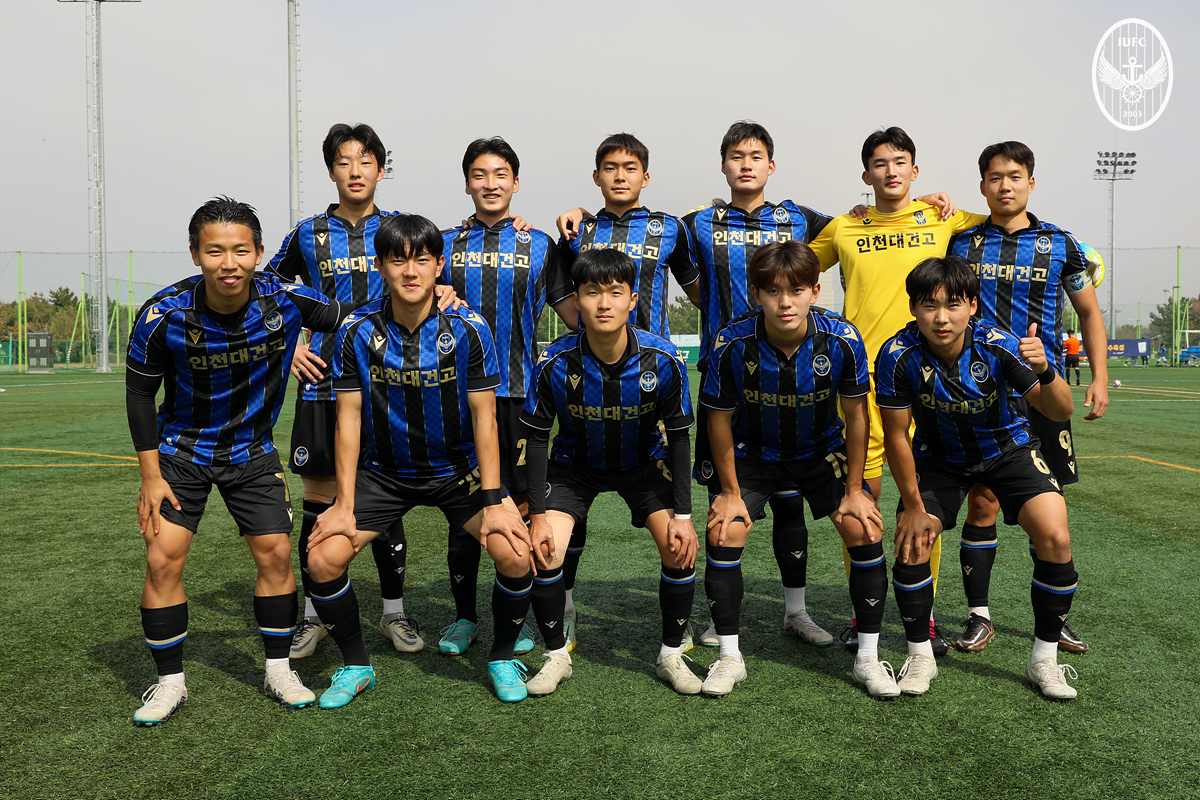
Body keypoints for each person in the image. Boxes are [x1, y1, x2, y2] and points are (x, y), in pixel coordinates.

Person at [125, 196, 350, 725]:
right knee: (162, 559)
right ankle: (169, 683)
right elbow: (139, 396)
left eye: (241, 250)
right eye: (216, 251)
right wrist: (150, 477)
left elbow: (358, 315)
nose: (229, 263)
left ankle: (278, 671)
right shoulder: (163, 315)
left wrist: (439, 293)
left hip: (252, 453)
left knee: (275, 555)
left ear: (259, 253)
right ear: (195, 254)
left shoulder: (286, 300)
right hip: (181, 453)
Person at [303, 214, 533, 707]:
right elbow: (348, 420)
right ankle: (356, 666)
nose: (410, 271)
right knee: (321, 559)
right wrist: (343, 504)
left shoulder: (469, 327)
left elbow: (485, 419)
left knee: (516, 553)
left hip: (456, 472)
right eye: (398, 260)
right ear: (380, 266)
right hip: (384, 475)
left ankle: (501, 657)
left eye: (422, 260)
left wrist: (495, 500)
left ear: (439, 265)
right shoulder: (356, 330)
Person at [267, 123, 457, 661]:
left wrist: (445, 288)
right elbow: (267, 288)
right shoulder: (307, 233)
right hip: (323, 385)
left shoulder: (398, 231)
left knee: (382, 492)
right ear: (332, 169)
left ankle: (394, 612)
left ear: (380, 169)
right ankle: (314, 616)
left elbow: (438, 279)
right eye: (344, 161)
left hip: (387, 388)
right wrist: (290, 346)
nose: (355, 171)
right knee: (319, 498)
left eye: (366, 161)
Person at [808, 126, 988, 655]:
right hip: (860, 384)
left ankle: (923, 617)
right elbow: (794, 268)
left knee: (922, 503)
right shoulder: (845, 226)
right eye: (880, 163)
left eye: (900, 161)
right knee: (860, 502)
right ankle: (864, 614)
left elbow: (1004, 219)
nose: (890, 171)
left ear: (915, 170)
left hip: (927, 384)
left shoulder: (941, 217)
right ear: (866, 174)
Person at [876, 255, 1081, 700]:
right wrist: (913, 506)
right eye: (929, 305)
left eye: (953, 305)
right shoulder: (896, 355)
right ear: (913, 308)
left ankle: (1044, 660)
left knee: (1055, 536)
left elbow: (1060, 409)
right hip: (938, 459)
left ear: (971, 305)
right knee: (913, 541)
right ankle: (920, 656)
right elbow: (895, 436)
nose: (941, 317)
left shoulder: (999, 344)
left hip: (1007, 451)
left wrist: (1045, 369)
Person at [702, 240, 888, 698]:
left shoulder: (842, 339)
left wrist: (855, 489)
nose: (785, 302)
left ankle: (868, 659)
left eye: (796, 290)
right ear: (756, 293)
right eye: (773, 291)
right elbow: (718, 420)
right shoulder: (731, 341)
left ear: (815, 291)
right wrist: (729, 493)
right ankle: (729, 657)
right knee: (725, 531)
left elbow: (857, 416)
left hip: (818, 451)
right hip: (753, 452)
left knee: (864, 527)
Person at [947, 142, 1108, 654]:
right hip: (980, 392)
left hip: (1043, 390)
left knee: (1049, 511)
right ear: (982, 186)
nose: (1005, 185)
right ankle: (978, 616)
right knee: (982, 502)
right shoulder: (960, 242)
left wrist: (1099, 377)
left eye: (1015, 176)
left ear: (1031, 183)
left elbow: (1089, 313)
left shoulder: (1061, 244)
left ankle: (1055, 620)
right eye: (995, 177)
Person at [522, 248, 699, 695]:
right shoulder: (554, 361)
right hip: (574, 467)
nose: (604, 303)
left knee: (678, 548)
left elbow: (680, 440)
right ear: (576, 300)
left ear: (632, 300)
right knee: (545, 551)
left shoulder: (663, 359)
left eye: (615, 292)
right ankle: (556, 656)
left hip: (642, 465)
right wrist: (538, 515)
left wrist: (683, 516)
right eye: (592, 292)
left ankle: (671, 654)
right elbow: (538, 439)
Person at [549, 132, 702, 650]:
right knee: (573, 488)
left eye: (630, 167)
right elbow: (560, 291)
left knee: (666, 504)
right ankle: (564, 606)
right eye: (610, 167)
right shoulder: (577, 229)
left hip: (651, 384)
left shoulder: (669, 228)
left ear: (646, 176)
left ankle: (677, 627)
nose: (620, 175)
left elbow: (699, 291)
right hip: (588, 380)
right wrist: (583, 332)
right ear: (596, 176)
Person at [436, 136, 577, 657]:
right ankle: (464, 618)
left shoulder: (539, 244)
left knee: (517, 509)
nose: (490, 184)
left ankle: (513, 620)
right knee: (465, 510)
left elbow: (573, 314)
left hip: (519, 395)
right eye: (480, 174)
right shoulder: (444, 244)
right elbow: (409, 293)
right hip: (455, 395)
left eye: (500, 175)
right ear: (466, 183)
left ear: (516, 183)